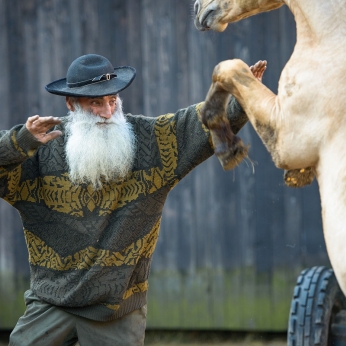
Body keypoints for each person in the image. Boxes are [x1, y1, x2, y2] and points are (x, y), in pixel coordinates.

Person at [1, 54, 266, 346]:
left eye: (112, 100)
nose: (106, 111)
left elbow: (197, 123)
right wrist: (19, 142)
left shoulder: (147, 141)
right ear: (70, 104)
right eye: (95, 103)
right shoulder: (39, 150)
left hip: (118, 307)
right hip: (51, 302)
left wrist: (243, 95)